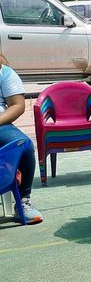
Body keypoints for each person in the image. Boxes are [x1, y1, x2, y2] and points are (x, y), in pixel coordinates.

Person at [0, 56, 42, 224]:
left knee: (23, 145)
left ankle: (23, 202)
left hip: (1, 124)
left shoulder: (5, 73)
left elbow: (17, 105)